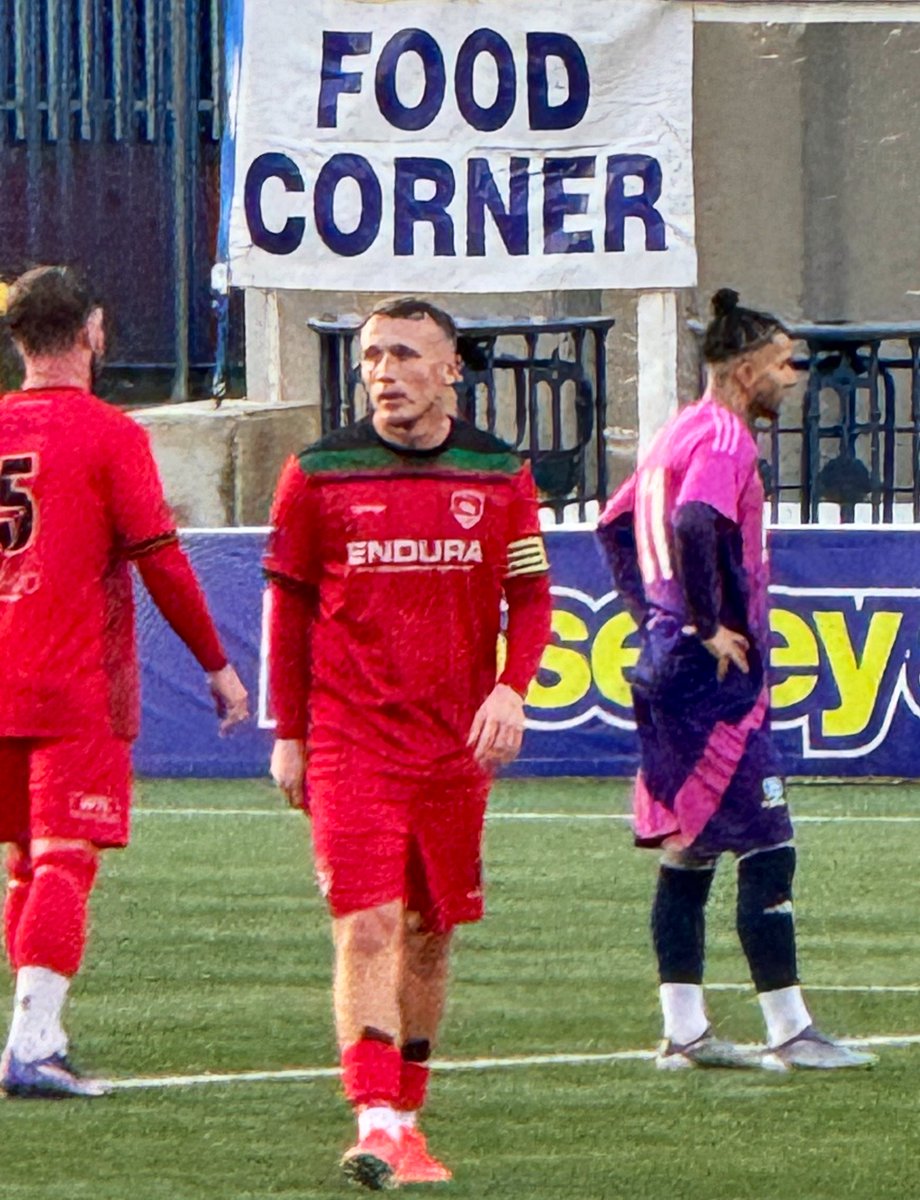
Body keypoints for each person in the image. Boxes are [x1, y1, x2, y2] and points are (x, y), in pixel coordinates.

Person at [265, 297, 552, 1189]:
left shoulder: (499, 474)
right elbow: (289, 610)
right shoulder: (318, 474)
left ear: (450, 369)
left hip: (454, 751)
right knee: (368, 924)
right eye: (371, 359)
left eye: (402, 355)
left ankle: (410, 1123)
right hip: (350, 739)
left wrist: (511, 687)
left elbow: (531, 600)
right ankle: (375, 1120)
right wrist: (289, 733)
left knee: (430, 934)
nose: (384, 374)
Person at [597, 288, 875, 1072]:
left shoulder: (676, 433)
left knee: (690, 849)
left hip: (668, 666)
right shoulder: (724, 438)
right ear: (745, 367)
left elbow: (613, 524)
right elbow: (694, 522)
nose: (793, 378)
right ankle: (790, 1028)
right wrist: (706, 623)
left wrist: (655, 618)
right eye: (785, 364)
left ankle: (684, 1031)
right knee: (769, 843)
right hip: (711, 679)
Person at [0, 265, 249, 1098]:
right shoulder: (110, 435)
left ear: (18, 339)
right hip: (74, 682)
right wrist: (217, 664)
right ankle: (32, 1043)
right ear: (93, 331)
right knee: (65, 860)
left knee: (26, 864)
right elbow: (161, 562)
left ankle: (37, 1027)